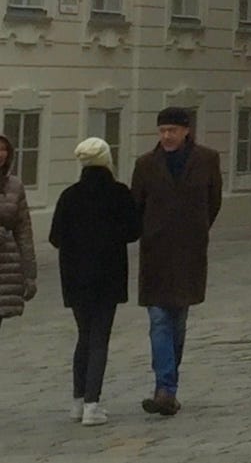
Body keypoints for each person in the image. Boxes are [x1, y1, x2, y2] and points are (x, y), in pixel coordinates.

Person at [131, 107, 222, 416]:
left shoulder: (207, 160)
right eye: (162, 130)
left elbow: (213, 202)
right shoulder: (145, 165)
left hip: (188, 253)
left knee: (178, 321)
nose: (167, 136)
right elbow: (136, 206)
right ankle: (165, 389)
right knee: (159, 320)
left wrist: (197, 229)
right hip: (156, 254)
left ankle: (168, 384)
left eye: (172, 130)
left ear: (186, 131)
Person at [49, 138, 140, 426]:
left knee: (84, 336)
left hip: (75, 277)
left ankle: (78, 402)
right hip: (108, 276)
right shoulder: (119, 193)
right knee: (100, 337)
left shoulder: (69, 196)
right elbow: (133, 231)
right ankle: (92, 404)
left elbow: (55, 237)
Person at [0, 134, 37, 332]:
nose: (1, 154)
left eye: (4, 149)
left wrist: (29, 274)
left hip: (6, 265)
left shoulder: (14, 185)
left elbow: (23, 231)